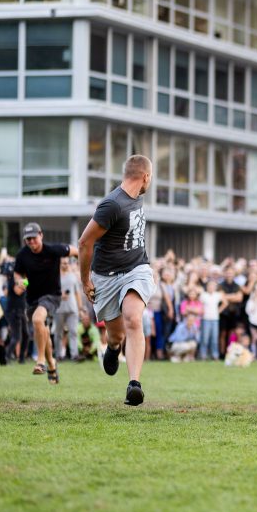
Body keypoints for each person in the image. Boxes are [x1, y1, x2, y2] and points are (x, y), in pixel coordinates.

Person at [78, 155, 157, 406]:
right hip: (106, 277)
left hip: (137, 268)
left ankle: (134, 384)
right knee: (116, 335)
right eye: (151, 177)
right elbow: (84, 243)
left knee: (134, 318)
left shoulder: (138, 197)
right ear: (145, 176)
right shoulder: (112, 205)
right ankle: (113, 348)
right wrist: (85, 281)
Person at [13, 222, 79, 384]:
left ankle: (40, 360)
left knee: (37, 320)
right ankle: (52, 364)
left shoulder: (53, 250)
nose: (31, 242)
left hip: (52, 296)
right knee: (42, 330)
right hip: (32, 299)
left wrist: (84, 268)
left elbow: (77, 250)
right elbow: (18, 274)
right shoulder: (23, 255)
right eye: (28, 239)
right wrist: (21, 282)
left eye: (34, 238)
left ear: (41, 235)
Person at [53, 257, 83, 361]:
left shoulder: (73, 276)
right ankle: (58, 355)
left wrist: (80, 308)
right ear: (59, 264)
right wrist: (60, 295)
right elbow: (51, 293)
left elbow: (77, 293)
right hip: (59, 309)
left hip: (72, 308)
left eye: (66, 263)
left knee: (73, 332)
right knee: (58, 333)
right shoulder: (55, 277)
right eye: (63, 263)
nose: (65, 265)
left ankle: (75, 355)